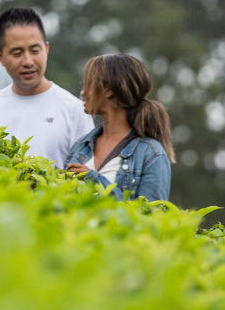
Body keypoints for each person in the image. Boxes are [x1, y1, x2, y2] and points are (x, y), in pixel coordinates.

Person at [0, 7, 94, 168]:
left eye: (35, 51)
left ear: (46, 49)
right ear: (0, 57)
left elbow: (87, 180)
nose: (28, 61)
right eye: (17, 53)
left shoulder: (75, 110)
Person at [64, 54, 173, 201]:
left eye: (88, 84)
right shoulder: (80, 147)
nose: (82, 92)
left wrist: (94, 180)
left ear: (108, 89)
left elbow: (152, 217)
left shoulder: (152, 154)